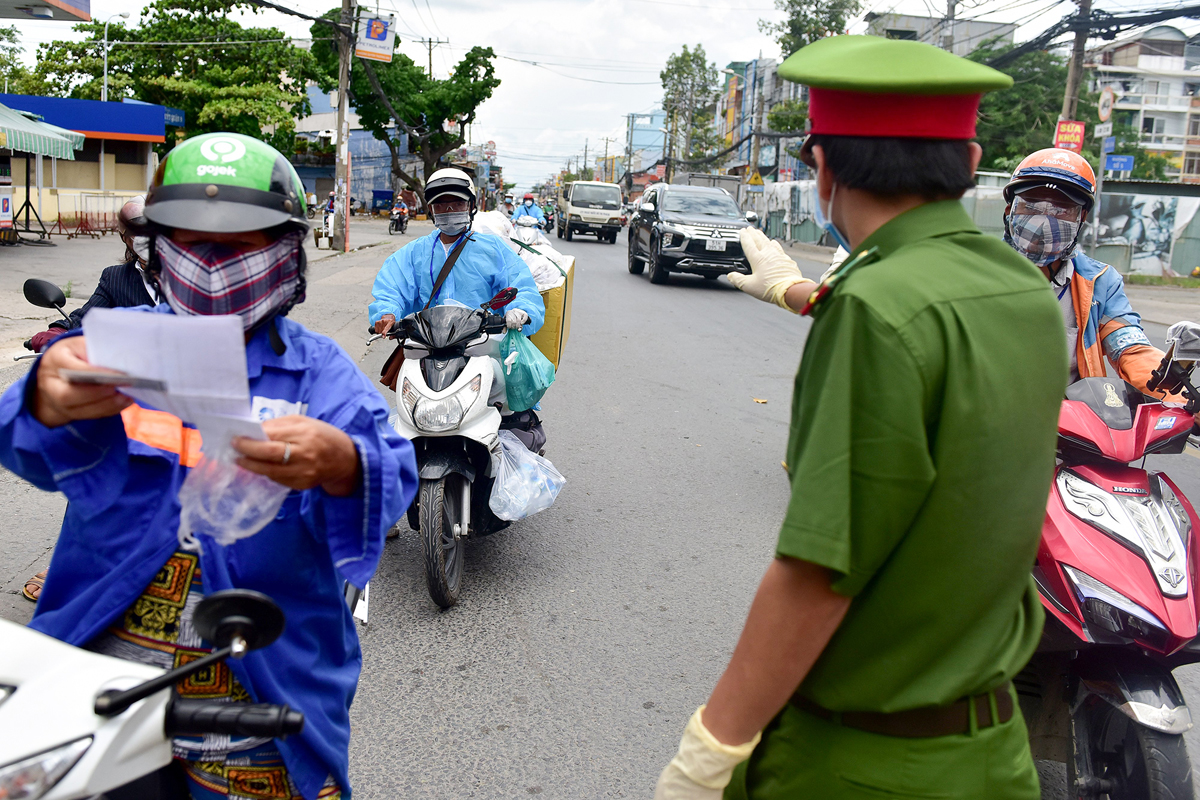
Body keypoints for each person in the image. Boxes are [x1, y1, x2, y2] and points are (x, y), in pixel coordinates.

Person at [654, 36, 1067, 800]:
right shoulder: (1021, 292)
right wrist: (793, 291)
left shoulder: (876, 312)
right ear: (972, 159)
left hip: (861, 766)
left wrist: (709, 755)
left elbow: (817, 573)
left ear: (825, 169)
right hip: (992, 755)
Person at [0, 133, 417, 800]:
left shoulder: (321, 374)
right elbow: (23, 443)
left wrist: (343, 464)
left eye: (242, 242)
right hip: (97, 687)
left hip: (255, 699)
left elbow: (392, 478)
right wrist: (42, 397)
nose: (213, 263)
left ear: (287, 252)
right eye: (190, 242)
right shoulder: (111, 348)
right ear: (158, 251)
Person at [21, 196, 160, 603]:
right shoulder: (117, 278)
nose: (147, 240)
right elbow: (84, 320)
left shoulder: (190, 277)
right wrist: (54, 334)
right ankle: (69, 562)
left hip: (180, 396)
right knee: (92, 475)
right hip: (121, 396)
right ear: (125, 237)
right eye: (136, 232)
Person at [1002, 147, 1169, 393]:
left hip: (1072, 424)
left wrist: (1176, 393)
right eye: (1032, 206)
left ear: (1082, 218)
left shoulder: (1100, 282)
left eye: (1061, 210)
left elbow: (1130, 346)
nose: (1045, 219)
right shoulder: (975, 271)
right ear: (1010, 210)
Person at [369, 168, 544, 339]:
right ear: (431, 209)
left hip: (482, 344)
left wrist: (521, 309)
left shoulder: (494, 249)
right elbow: (391, 289)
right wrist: (387, 314)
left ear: (471, 206)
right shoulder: (415, 252)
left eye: (458, 203)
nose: (450, 210)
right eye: (441, 205)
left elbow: (521, 286)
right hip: (427, 344)